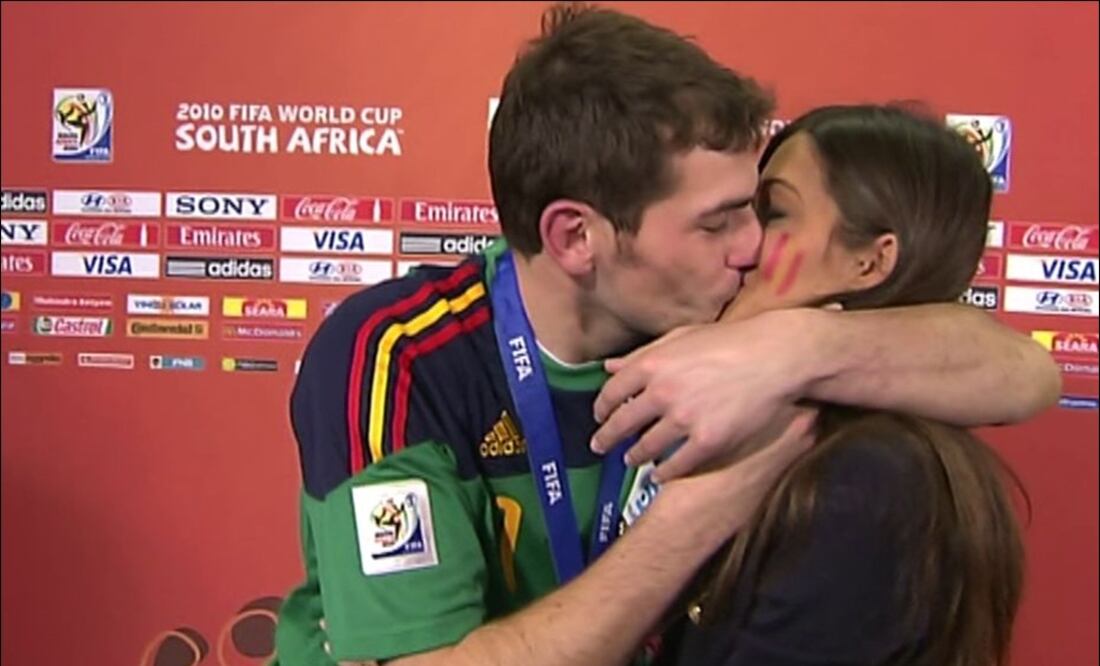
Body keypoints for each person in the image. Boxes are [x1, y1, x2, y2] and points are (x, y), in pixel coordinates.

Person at [273, 5, 1058, 665]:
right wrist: (703, 507)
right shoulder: (398, 354)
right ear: (577, 238)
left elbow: (1021, 372)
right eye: (718, 221)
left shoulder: (724, 314)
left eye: (759, 207)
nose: (751, 246)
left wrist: (797, 349)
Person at [631, 103, 1027, 666]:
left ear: (869, 262)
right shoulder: (759, 416)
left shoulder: (869, 480)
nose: (742, 244)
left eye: (774, 213)